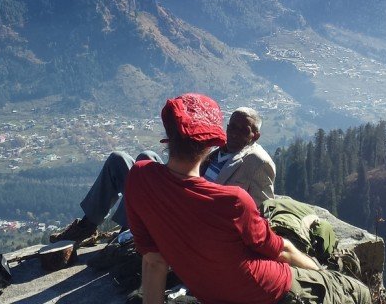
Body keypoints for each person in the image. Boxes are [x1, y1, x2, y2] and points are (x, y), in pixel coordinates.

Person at [125, 93, 371, 304]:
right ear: (211, 141)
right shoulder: (231, 201)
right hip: (272, 289)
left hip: (212, 291)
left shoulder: (139, 177)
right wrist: (321, 273)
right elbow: (281, 251)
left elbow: (154, 261)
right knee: (359, 292)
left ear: (169, 135)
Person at [51, 106, 275, 242]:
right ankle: (89, 225)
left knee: (143, 165)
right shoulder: (219, 149)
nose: (234, 133)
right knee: (126, 159)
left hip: (190, 212)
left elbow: (264, 209)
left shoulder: (257, 162)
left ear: (255, 135)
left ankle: (131, 228)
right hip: (178, 189)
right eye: (231, 126)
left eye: (242, 130)